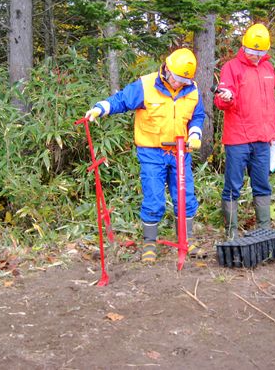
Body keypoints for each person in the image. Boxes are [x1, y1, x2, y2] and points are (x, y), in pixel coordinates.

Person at [85, 48, 206, 263]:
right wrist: (100, 108)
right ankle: (150, 242)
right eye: (177, 79)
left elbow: (196, 115)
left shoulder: (192, 89)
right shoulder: (146, 85)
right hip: (152, 152)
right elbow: (122, 100)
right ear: (167, 69)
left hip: (181, 151)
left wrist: (195, 133)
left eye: (184, 81)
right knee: (154, 198)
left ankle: (186, 239)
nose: (179, 84)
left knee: (185, 197)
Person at [214, 23, 275, 239]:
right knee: (233, 184)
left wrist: (273, 131)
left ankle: (264, 228)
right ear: (243, 47)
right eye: (252, 51)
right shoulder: (231, 67)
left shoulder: (268, 69)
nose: (255, 56)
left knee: (262, 184)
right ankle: (231, 232)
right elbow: (222, 100)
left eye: (260, 52)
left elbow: (270, 103)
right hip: (238, 138)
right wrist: (226, 98)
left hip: (263, 139)